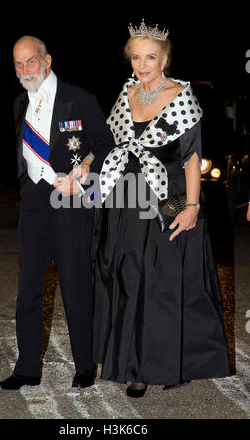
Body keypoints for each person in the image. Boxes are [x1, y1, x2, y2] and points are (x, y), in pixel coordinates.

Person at [92, 21, 231, 398]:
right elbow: (111, 145)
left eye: (150, 57)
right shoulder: (127, 95)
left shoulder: (182, 98)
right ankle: (131, 360)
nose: (142, 64)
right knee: (129, 278)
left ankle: (156, 365)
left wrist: (190, 207)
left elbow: (191, 159)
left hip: (167, 198)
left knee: (164, 284)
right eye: (136, 57)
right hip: (128, 198)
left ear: (165, 58)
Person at [0, 36, 114, 390]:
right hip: (32, 204)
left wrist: (85, 176)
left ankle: (84, 366)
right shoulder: (19, 103)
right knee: (28, 286)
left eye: (30, 61)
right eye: (18, 64)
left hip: (70, 202)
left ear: (47, 61)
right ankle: (27, 369)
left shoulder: (80, 99)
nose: (24, 70)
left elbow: (105, 145)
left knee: (75, 285)